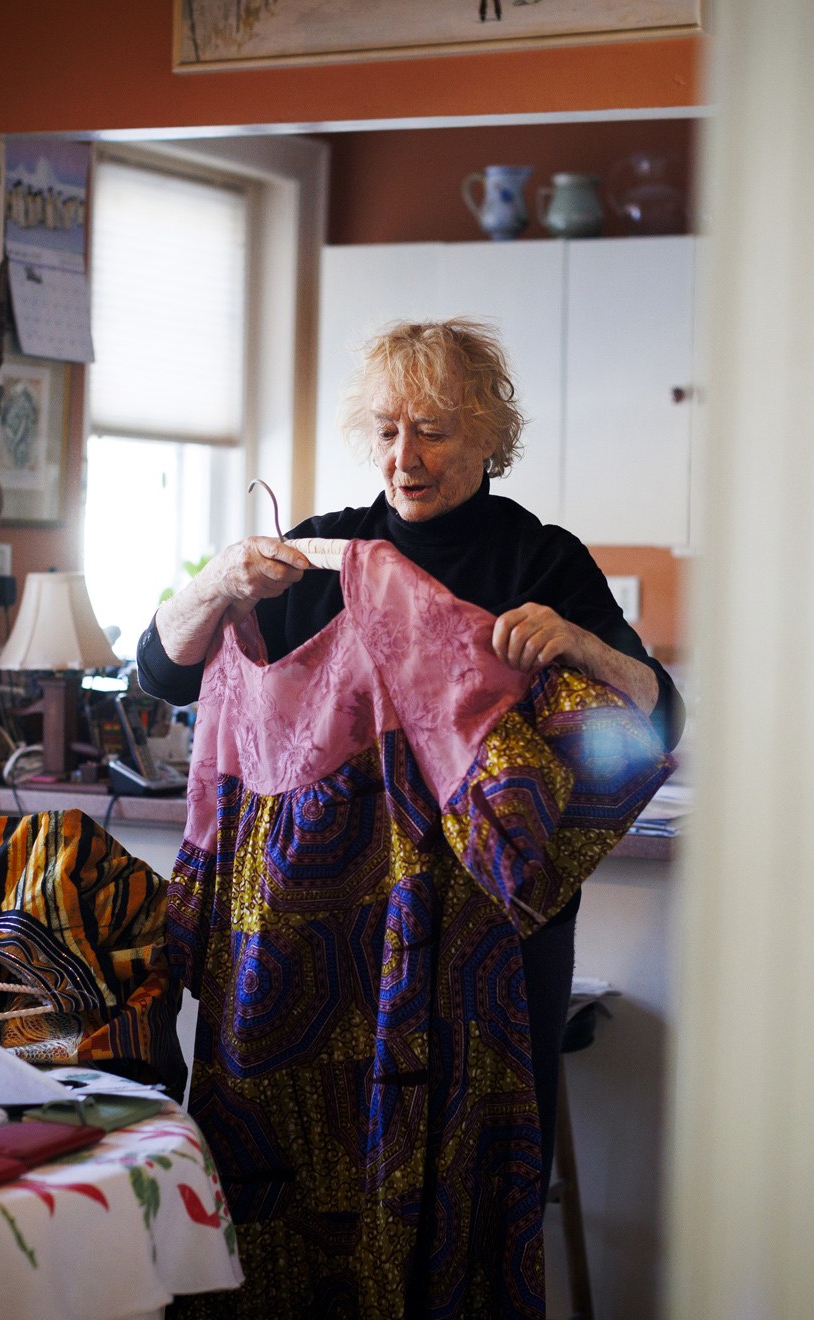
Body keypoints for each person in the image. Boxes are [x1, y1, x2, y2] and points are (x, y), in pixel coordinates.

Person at [137, 317, 683, 1194]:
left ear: (489, 437)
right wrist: (218, 583)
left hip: (489, 945)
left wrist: (580, 642)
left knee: (465, 1186)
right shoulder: (319, 553)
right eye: (389, 431)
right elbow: (162, 674)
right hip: (321, 941)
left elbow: (659, 717)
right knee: (305, 1183)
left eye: (434, 430)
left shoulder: (538, 561)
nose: (406, 457)